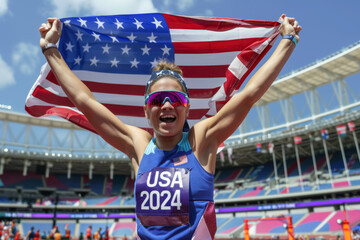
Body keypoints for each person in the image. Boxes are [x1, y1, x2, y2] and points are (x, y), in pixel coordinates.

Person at [39, 13, 301, 240]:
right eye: (156, 100)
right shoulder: (139, 144)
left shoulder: (201, 140)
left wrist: (287, 42)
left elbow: (250, 94)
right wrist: (51, 49)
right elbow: (84, 100)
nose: (166, 105)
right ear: (146, 110)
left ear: (186, 108)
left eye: (175, 99)